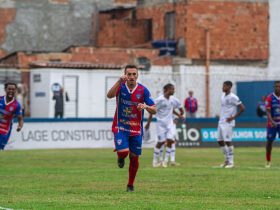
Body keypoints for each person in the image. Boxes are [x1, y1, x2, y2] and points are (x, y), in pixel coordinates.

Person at [107, 64, 156, 192]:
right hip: (120, 126)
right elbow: (109, 95)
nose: (132, 77)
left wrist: (145, 107)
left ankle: (130, 184)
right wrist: (118, 81)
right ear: (125, 75)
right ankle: (120, 157)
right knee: (123, 152)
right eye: (129, 74)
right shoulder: (120, 87)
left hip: (136, 130)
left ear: (137, 75)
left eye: (134, 74)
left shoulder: (143, 90)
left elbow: (154, 110)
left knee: (134, 157)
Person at [145, 83, 184, 168]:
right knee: (161, 142)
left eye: (173, 89)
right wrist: (148, 123)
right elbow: (152, 110)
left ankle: (165, 161)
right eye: (172, 89)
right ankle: (155, 161)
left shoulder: (172, 99)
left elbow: (175, 109)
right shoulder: (159, 100)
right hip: (160, 124)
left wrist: (179, 116)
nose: (173, 91)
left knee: (170, 140)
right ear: (166, 90)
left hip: (170, 123)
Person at [217, 81, 245, 168]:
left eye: (224, 86)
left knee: (228, 141)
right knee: (220, 141)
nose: (223, 87)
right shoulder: (222, 95)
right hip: (221, 121)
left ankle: (231, 162)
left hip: (228, 122)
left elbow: (242, 108)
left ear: (229, 87)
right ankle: (226, 160)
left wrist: (233, 117)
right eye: (223, 85)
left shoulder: (233, 97)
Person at [0, 82, 24, 150]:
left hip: (4, 130)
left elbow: (20, 119)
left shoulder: (16, 105)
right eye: (9, 89)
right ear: (5, 89)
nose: (11, 91)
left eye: (13, 89)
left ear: (15, 90)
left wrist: (20, 126)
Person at [265, 81, 280, 168]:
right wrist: (272, 121)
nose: (278, 88)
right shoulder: (269, 98)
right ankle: (268, 161)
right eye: (276, 86)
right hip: (272, 124)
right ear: (274, 87)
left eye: (279, 86)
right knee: (269, 142)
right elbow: (268, 111)